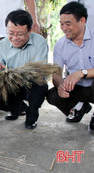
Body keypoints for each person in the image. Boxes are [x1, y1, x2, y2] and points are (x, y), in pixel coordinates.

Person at [0, 9, 48, 129]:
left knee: (40, 87)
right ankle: (18, 108)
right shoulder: (2, 44)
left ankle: (32, 115)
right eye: (11, 33)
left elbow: (39, 71)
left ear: (30, 30)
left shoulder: (40, 43)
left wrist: (17, 74)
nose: (15, 38)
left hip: (31, 83)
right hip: (12, 84)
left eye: (20, 34)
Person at [47, 2, 94, 131]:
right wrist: (60, 85)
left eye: (68, 23)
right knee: (52, 95)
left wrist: (80, 73)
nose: (64, 28)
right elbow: (56, 74)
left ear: (82, 21)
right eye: (61, 23)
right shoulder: (60, 45)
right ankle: (79, 108)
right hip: (77, 88)